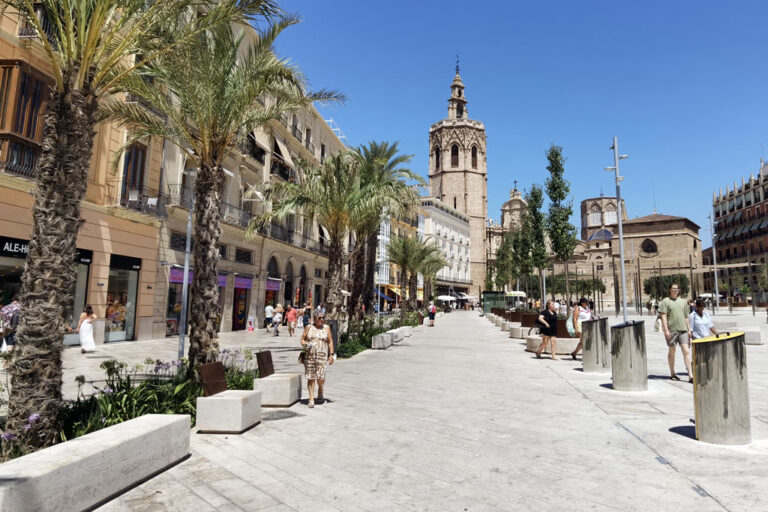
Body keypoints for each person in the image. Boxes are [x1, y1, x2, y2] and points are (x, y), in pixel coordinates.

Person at [300, 310, 334, 408]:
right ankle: (311, 399)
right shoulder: (308, 327)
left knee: (320, 378)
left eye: (323, 318)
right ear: (315, 318)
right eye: (319, 318)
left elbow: (330, 342)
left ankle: (320, 389)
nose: (322, 320)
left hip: (322, 357)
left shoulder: (327, 328)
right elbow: (302, 339)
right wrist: (305, 344)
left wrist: (331, 355)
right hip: (310, 356)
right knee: (311, 377)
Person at [659, 283, 693, 382]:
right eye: (673, 288)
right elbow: (663, 316)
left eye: (677, 289)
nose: (675, 290)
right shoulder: (666, 301)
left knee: (686, 351)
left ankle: (690, 375)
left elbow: (686, 317)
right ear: (670, 290)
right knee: (672, 351)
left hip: (683, 330)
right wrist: (666, 330)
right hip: (672, 330)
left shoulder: (683, 302)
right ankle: (672, 373)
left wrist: (689, 329)